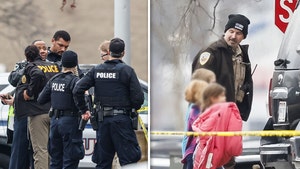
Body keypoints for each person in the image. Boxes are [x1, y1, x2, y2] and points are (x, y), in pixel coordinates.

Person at [73, 37, 144, 168]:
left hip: (103, 122)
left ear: (109, 51)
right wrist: (131, 107)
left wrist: (84, 109)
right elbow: (138, 98)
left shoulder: (96, 70)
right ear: (123, 52)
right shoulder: (127, 71)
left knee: (103, 162)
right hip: (122, 120)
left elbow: (77, 89)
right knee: (129, 162)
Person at [191, 14, 253, 122]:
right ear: (225, 31)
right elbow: (199, 86)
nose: (233, 36)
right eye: (231, 31)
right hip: (212, 116)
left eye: (238, 33)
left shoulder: (243, 56)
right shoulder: (212, 52)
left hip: (233, 114)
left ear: (243, 37)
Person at [37, 50, 85, 169]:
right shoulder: (75, 81)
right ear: (75, 65)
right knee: (70, 159)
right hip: (70, 122)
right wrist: (84, 110)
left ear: (62, 63)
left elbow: (41, 99)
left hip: (55, 122)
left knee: (55, 160)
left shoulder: (54, 80)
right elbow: (79, 98)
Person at [21, 45, 59, 169]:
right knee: (50, 150)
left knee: (40, 150)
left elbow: (36, 75)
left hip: (37, 113)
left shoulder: (31, 66)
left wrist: (29, 92)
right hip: (54, 112)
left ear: (28, 56)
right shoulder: (54, 66)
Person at [192, 83, 243, 169]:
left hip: (205, 156)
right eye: (222, 96)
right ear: (213, 98)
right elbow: (234, 146)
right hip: (209, 159)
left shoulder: (206, 115)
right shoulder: (218, 115)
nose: (225, 99)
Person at [181, 68, 216, 169]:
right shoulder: (195, 110)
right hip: (196, 154)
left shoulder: (204, 107)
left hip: (201, 153)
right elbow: (188, 136)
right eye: (212, 83)